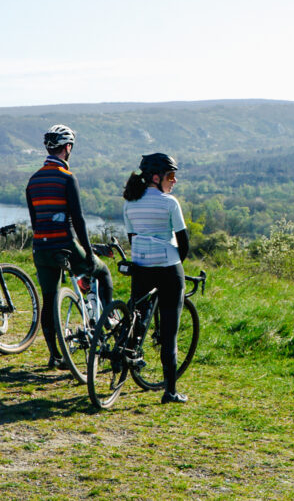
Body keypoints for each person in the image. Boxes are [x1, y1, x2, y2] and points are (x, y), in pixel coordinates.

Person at [27, 124, 113, 369]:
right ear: (67, 148)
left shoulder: (33, 181)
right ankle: (108, 319)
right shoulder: (67, 177)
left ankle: (55, 355)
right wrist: (89, 253)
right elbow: (78, 219)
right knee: (102, 271)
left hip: (40, 248)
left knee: (50, 299)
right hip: (64, 243)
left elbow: (35, 221)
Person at [122, 152, 190, 404]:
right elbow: (184, 245)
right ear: (156, 177)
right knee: (169, 332)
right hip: (168, 268)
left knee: (136, 321)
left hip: (141, 267)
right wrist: (173, 265)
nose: (174, 181)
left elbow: (132, 239)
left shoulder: (129, 203)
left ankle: (126, 359)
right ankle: (170, 391)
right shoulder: (169, 203)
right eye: (171, 176)